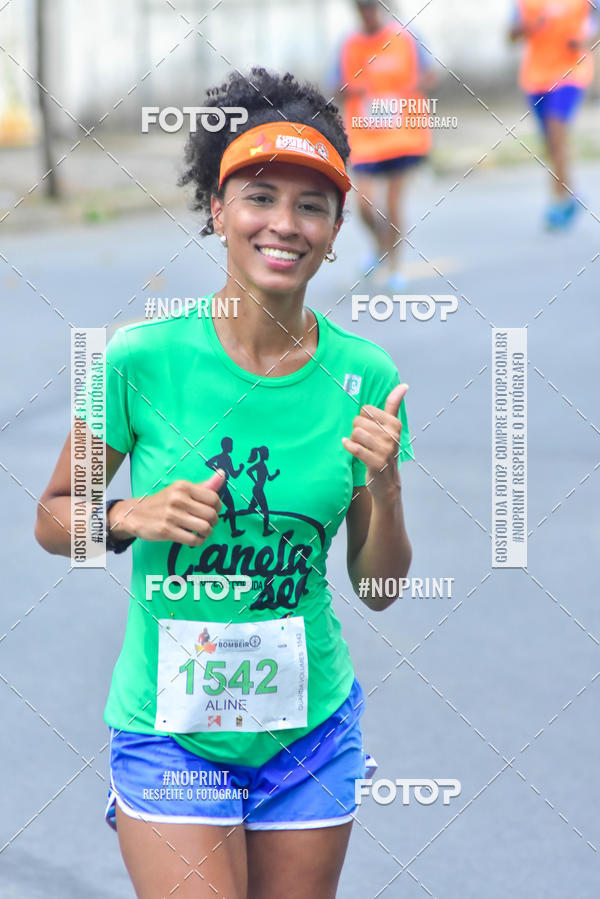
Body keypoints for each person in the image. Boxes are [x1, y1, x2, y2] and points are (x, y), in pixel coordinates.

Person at [34, 67, 414, 899]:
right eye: (260, 196)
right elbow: (53, 517)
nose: (284, 224)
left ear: (337, 224)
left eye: (311, 205)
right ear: (217, 208)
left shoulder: (364, 374)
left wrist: (384, 487)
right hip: (172, 733)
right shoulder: (139, 359)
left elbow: (379, 588)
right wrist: (130, 513)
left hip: (309, 732)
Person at [331, 0, 436, 288]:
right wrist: (352, 89)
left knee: (392, 204)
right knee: (363, 204)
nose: (367, 14)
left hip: (402, 136)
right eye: (361, 9)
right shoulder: (349, 45)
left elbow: (430, 74)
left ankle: (395, 267)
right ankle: (380, 248)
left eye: (371, 8)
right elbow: (335, 87)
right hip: (365, 137)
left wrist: (409, 86)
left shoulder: (405, 38)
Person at [509, 0, 599, 229]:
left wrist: (586, 41)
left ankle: (557, 200)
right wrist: (528, 27)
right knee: (549, 142)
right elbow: (510, 36)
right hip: (535, 78)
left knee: (556, 131)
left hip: (571, 72)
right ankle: (570, 193)